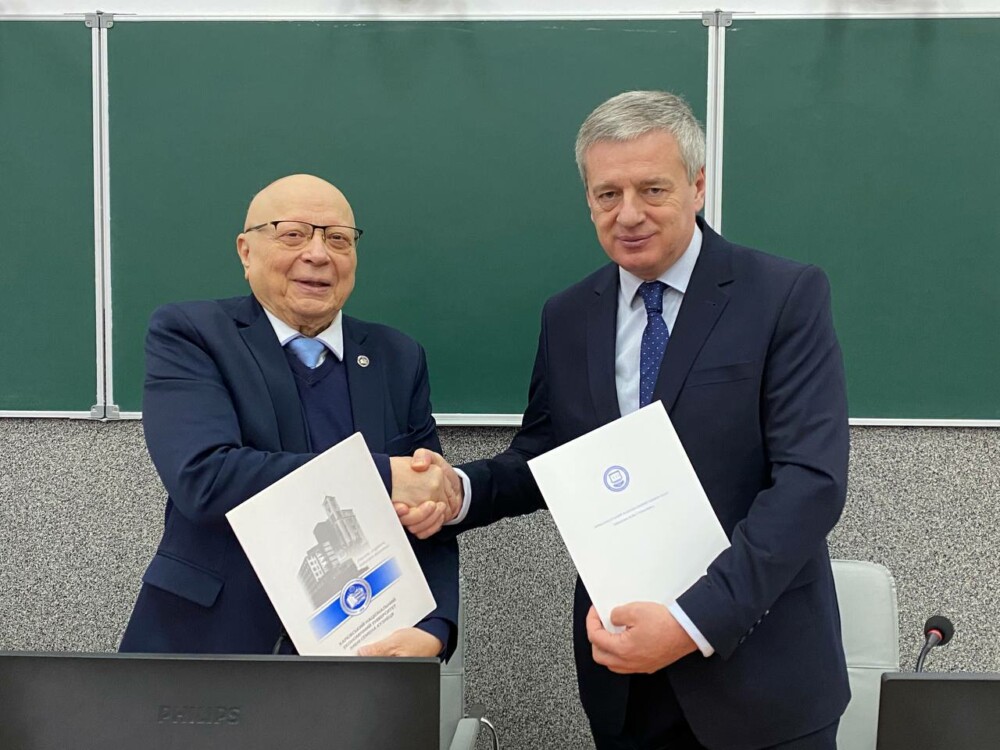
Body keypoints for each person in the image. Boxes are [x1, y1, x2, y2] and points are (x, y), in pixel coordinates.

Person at [405, 91, 850, 748]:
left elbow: (811, 484)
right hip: (625, 683)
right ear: (588, 200)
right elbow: (545, 453)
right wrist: (458, 491)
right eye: (608, 194)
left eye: (652, 189)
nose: (629, 213)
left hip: (762, 681)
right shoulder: (568, 315)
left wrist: (692, 621)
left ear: (698, 186)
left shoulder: (783, 295)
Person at [120, 173, 459, 659]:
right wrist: (383, 477)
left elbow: (428, 503)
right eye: (293, 234)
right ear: (246, 251)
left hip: (365, 650)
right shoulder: (192, 334)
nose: (318, 254)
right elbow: (205, 478)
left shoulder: (397, 357)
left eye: (338, 239)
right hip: (208, 646)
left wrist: (435, 624)